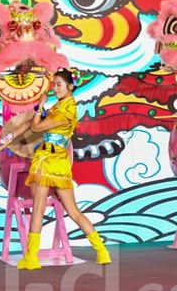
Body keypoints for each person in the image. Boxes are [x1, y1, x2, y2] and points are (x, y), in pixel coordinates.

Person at [15, 69, 111, 269]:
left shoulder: (64, 111)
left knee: (39, 209)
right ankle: (102, 251)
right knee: (73, 211)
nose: (55, 88)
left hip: (47, 161)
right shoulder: (62, 106)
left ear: (70, 86)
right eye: (54, 84)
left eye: (59, 85)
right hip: (59, 162)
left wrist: (41, 106)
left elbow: (36, 128)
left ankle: (31, 258)